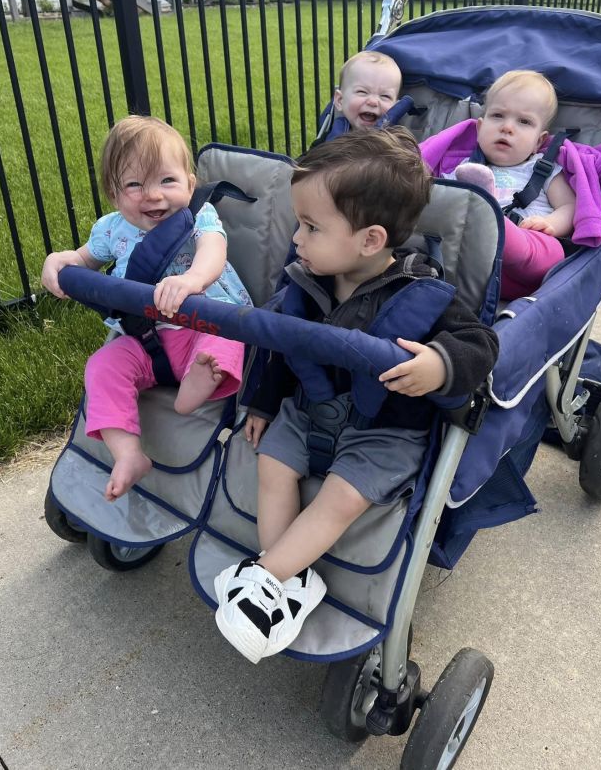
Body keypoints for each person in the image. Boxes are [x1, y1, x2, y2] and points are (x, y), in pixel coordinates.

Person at [213, 127, 499, 664]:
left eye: (311, 226)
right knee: (272, 463)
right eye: (299, 223)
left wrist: (439, 364)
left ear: (369, 240)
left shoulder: (423, 292)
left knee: (341, 497)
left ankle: (262, 578)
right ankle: (284, 577)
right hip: (308, 412)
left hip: (385, 429)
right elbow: (281, 343)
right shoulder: (306, 277)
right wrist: (261, 402)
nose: (296, 238)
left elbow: (480, 343)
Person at [41, 116, 251, 501]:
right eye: (135, 185)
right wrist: (60, 260)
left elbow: (213, 251)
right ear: (114, 194)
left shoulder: (198, 216)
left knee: (226, 339)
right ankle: (128, 454)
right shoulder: (110, 229)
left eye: (167, 182)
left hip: (200, 322)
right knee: (101, 366)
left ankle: (198, 384)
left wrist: (191, 281)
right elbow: (83, 259)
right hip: (143, 337)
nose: (152, 195)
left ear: (190, 184)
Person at [424, 70, 576, 299]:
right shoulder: (464, 168)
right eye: (497, 116)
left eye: (524, 122)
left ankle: (499, 224)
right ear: (479, 128)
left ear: (539, 141)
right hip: (469, 262)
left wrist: (549, 223)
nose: (507, 127)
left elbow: (571, 207)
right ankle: (488, 213)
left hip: (524, 257)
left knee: (552, 252)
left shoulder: (544, 170)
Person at [333, 50, 402, 129]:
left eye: (385, 96)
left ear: (396, 107)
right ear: (340, 100)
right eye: (362, 92)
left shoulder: (399, 139)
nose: (373, 102)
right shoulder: (331, 138)